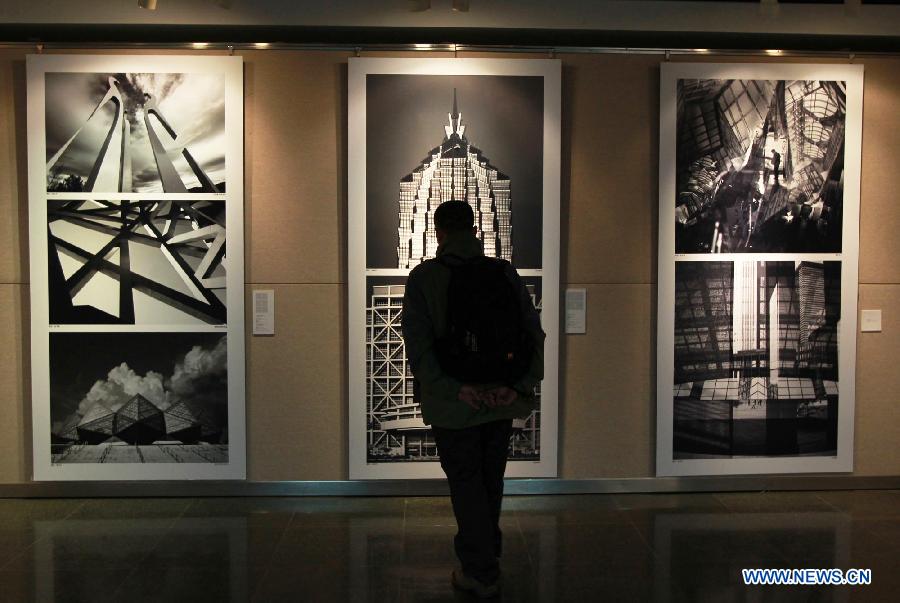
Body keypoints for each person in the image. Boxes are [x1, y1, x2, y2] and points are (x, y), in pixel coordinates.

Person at [402, 200, 545, 599]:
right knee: (489, 480)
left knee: (466, 483)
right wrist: (517, 386)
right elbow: (534, 335)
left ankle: (480, 572)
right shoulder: (504, 273)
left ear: (439, 233)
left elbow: (419, 348)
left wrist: (455, 389)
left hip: (454, 406)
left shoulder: (425, 278)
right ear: (475, 229)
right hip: (501, 399)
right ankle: (486, 559)